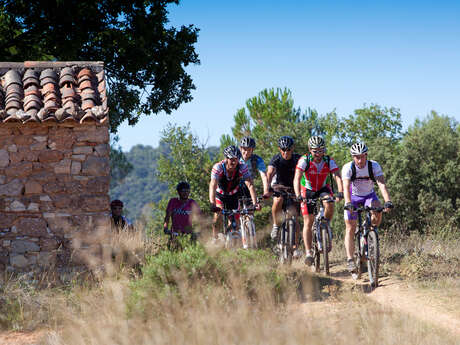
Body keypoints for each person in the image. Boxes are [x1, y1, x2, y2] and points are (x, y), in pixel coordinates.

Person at [342, 142, 393, 272]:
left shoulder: (373, 166)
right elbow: (346, 188)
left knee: (378, 210)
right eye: (357, 157)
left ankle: (370, 236)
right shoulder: (348, 168)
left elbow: (381, 184)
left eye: (362, 156)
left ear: (366, 155)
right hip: (353, 197)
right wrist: (348, 203)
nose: (360, 160)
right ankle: (350, 259)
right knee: (350, 227)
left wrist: (388, 201)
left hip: (369, 196)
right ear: (353, 157)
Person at [293, 135, 344, 266]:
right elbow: (297, 178)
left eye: (321, 150)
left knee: (330, 203)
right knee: (308, 221)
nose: (318, 153)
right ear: (310, 150)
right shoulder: (305, 160)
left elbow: (337, 175)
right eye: (315, 151)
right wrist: (299, 195)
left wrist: (340, 191)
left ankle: (325, 224)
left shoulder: (328, 160)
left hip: (322, 187)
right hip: (308, 189)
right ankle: (309, 252)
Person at [209, 145, 260, 240]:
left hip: (233, 196)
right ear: (226, 158)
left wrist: (255, 203)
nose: (234, 162)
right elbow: (212, 185)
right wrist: (212, 203)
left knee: (235, 224)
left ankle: (231, 241)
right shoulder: (218, 167)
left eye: (236, 159)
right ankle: (214, 238)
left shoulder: (242, 167)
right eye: (231, 159)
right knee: (218, 217)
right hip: (220, 195)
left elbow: (250, 185)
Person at [266, 136, 302, 255]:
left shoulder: (298, 158)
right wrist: (267, 189)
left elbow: (306, 172)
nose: (286, 152)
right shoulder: (276, 159)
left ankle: (295, 247)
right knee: (278, 200)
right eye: (283, 149)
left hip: (294, 189)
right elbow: (270, 173)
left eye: (288, 149)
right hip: (279, 186)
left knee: (295, 220)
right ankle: (276, 226)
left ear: (292, 149)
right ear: (279, 149)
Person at [239, 136, 269, 202]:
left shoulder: (257, 159)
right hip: (235, 186)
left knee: (251, 209)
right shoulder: (236, 158)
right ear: (240, 149)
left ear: (252, 150)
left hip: (249, 187)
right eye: (244, 149)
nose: (246, 152)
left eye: (249, 150)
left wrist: (266, 191)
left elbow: (264, 176)